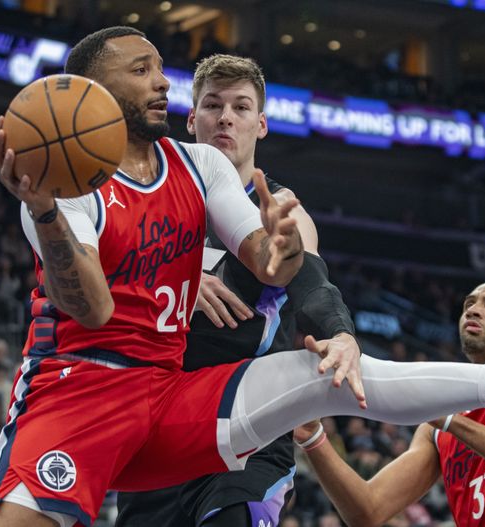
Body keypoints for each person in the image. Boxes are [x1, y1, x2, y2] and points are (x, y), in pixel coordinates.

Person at [0, 26, 485, 527]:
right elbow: (90, 307)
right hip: (81, 398)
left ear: (260, 122)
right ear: (90, 91)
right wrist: (45, 210)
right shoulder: (59, 186)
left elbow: (274, 262)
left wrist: (287, 251)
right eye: (143, 69)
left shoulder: (201, 169)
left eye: (161, 68)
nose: (162, 82)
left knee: (325, 377)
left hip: (183, 399)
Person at [115, 54, 359, 526]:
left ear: (261, 124)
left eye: (241, 108)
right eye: (212, 105)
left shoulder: (284, 213)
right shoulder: (152, 203)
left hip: (245, 428)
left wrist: (340, 331)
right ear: (191, 119)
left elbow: (310, 284)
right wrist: (178, 278)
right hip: (158, 429)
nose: (226, 117)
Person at [293, 281, 485, 526]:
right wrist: (313, 438)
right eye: (469, 305)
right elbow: (368, 511)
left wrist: (452, 421)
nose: (474, 311)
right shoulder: (437, 426)